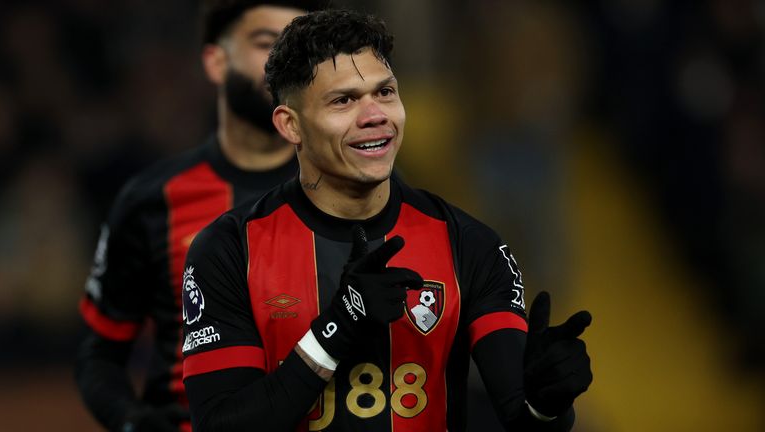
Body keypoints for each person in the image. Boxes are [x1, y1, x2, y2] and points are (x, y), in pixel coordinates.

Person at [181, 9, 593, 431]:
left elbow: (523, 418)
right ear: (291, 125)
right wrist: (340, 324)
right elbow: (220, 424)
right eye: (343, 100)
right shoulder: (230, 250)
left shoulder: (471, 245)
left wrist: (547, 403)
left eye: (385, 93)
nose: (374, 115)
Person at [74, 2, 323, 431]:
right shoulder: (151, 199)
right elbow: (101, 353)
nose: (286, 60)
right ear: (215, 61)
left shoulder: (354, 187)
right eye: (267, 42)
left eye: (300, 46)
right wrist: (132, 420)